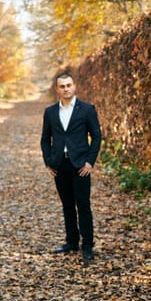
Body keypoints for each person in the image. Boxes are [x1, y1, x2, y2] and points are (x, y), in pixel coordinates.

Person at [41, 71, 102, 260]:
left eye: (69, 85)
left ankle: (88, 245)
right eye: (62, 86)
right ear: (57, 89)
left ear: (74, 86)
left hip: (80, 165)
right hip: (60, 165)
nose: (66, 89)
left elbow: (97, 136)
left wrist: (90, 162)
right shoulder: (50, 112)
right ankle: (72, 242)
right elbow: (45, 140)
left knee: (83, 205)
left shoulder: (86, 109)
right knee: (67, 205)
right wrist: (48, 162)